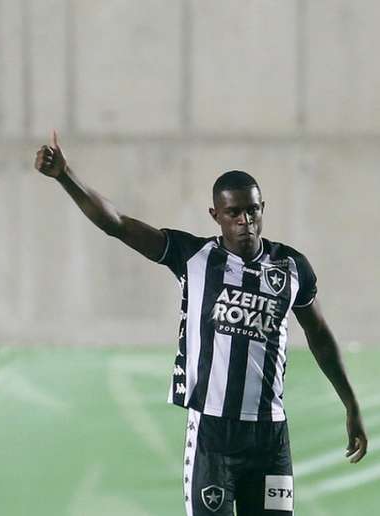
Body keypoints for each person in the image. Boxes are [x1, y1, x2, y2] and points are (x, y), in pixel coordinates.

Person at [34, 130, 367, 516]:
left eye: (253, 210)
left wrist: (351, 404)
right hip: (213, 433)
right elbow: (118, 224)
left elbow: (320, 336)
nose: (246, 221)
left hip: (270, 436)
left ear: (263, 209)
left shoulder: (291, 267)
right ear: (216, 216)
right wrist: (64, 175)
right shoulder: (192, 257)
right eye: (234, 212)